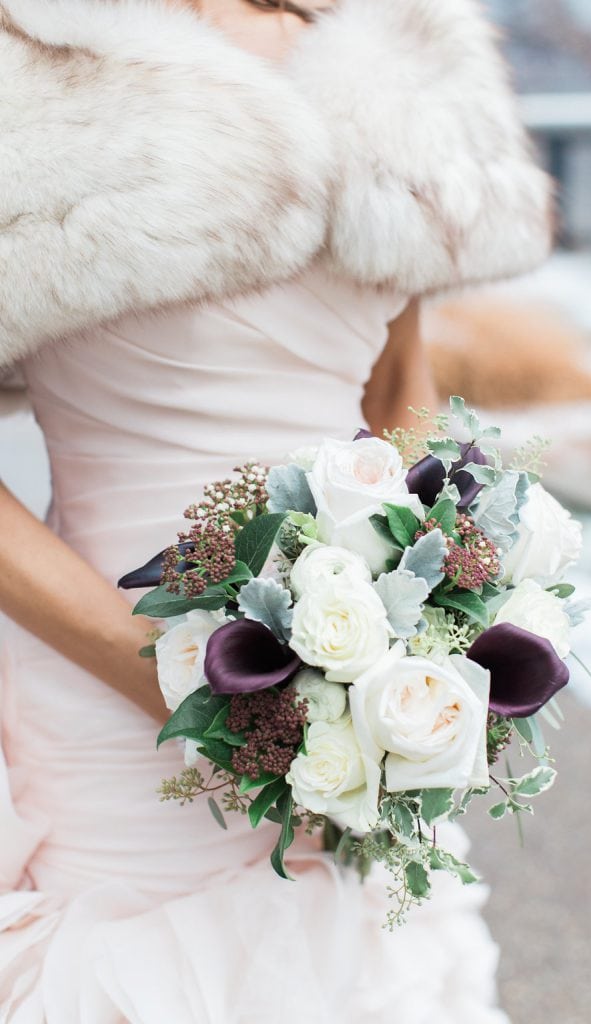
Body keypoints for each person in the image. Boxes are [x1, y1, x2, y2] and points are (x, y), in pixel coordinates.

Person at [0, 0, 551, 1019]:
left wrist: (436, 625)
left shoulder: (401, 50)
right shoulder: (30, 59)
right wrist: (165, 676)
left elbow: (396, 398)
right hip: (99, 683)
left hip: (356, 696)